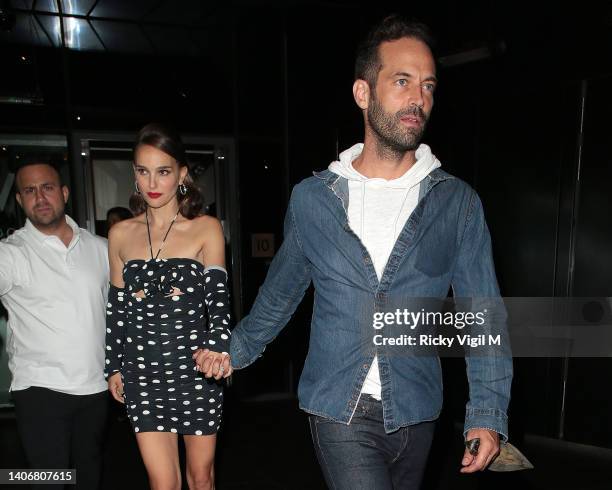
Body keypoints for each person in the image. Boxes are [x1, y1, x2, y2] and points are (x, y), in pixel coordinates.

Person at [226, 15, 513, 489]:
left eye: (427, 86)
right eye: (402, 82)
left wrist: (486, 411)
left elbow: (481, 314)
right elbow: (280, 294)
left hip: (417, 410)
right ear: (363, 93)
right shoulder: (313, 200)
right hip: (340, 406)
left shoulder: (456, 202)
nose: (417, 99)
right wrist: (234, 352)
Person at [105, 123, 232, 490]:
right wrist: (113, 366)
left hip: (196, 369)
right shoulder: (119, 234)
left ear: (182, 174)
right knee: (162, 483)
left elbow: (219, 303)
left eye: (163, 171)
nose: (152, 182)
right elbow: (116, 309)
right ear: (134, 174)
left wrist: (219, 347)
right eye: (143, 171)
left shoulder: (205, 228)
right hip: (142, 372)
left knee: (201, 478)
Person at [0, 158, 109, 489]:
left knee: (88, 476)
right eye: (29, 190)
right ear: (19, 200)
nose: (40, 197)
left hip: (96, 388)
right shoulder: (10, 253)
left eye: (47, 187)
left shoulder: (101, 248)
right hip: (40, 390)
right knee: (49, 480)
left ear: (63, 192)